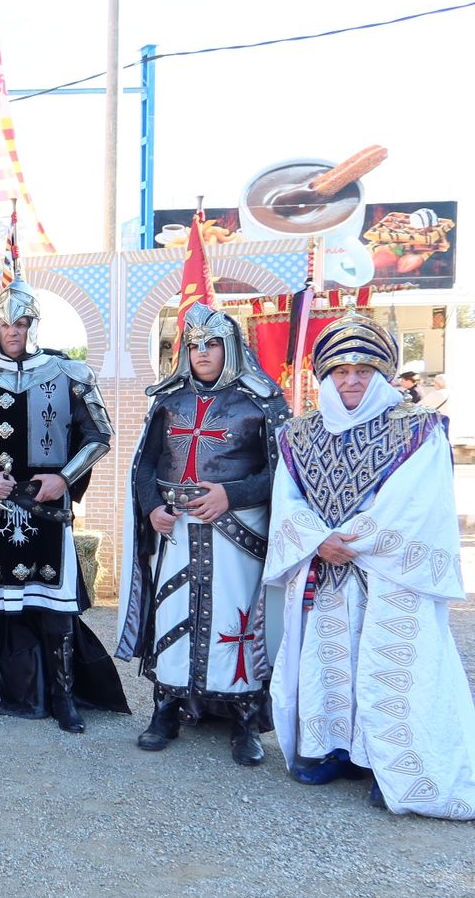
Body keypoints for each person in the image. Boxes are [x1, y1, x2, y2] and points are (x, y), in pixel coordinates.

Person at [264, 315, 475, 818]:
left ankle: (391, 766)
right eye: (339, 370)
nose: (351, 379)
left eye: (363, 368)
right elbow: (287, 499)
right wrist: (317, 541)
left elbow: (416, 504)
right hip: (325, 574)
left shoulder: (417, 429)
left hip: (389, 576)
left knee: (391, 670)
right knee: (329, 661)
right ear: (324, 376)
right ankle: (333, 750)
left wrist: (346, 541)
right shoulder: (299, 433)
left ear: (383, 372)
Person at [0, 268, 128, 733]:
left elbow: (99, 434)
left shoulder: (68, 373)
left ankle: (64, 698)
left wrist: (64, 478)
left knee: (53, 610)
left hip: (47, 510)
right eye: (7, 324)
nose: (14, 331)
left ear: (34, 326)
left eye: (22, 324)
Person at [114, 304, 291, 765]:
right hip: (177, 529)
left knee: (235, 620)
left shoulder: (262, 400)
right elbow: (146, 464)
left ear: (230, 347)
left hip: (239, 531)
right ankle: (166, 708)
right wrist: (152, 507)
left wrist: (231, 495)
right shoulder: (169, 401)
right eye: (194, 345)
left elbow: (283, 474)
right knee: (173, 614)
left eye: (211, 343)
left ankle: (245, 717)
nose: (202, 353)